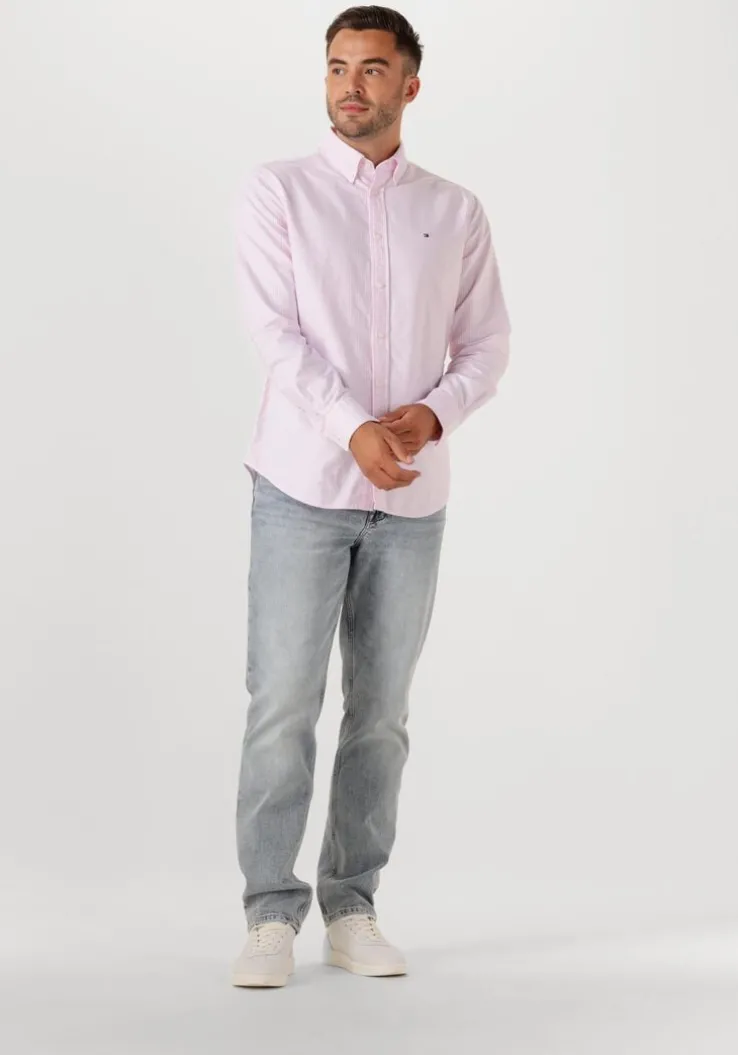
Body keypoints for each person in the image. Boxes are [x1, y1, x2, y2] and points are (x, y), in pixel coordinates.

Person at [231, 4, 511, 988]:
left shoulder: (455, 209)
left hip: (412, 501)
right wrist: (352, 425)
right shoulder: (278, 192)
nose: (351, 84)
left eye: (373, 68)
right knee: (283, 702)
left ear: (410, 85)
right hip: (301, 485)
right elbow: (276, 335)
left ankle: (352, 904)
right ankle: (270, 913)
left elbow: (486, 344)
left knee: (382, 712)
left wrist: (433, 414)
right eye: (338, 66)